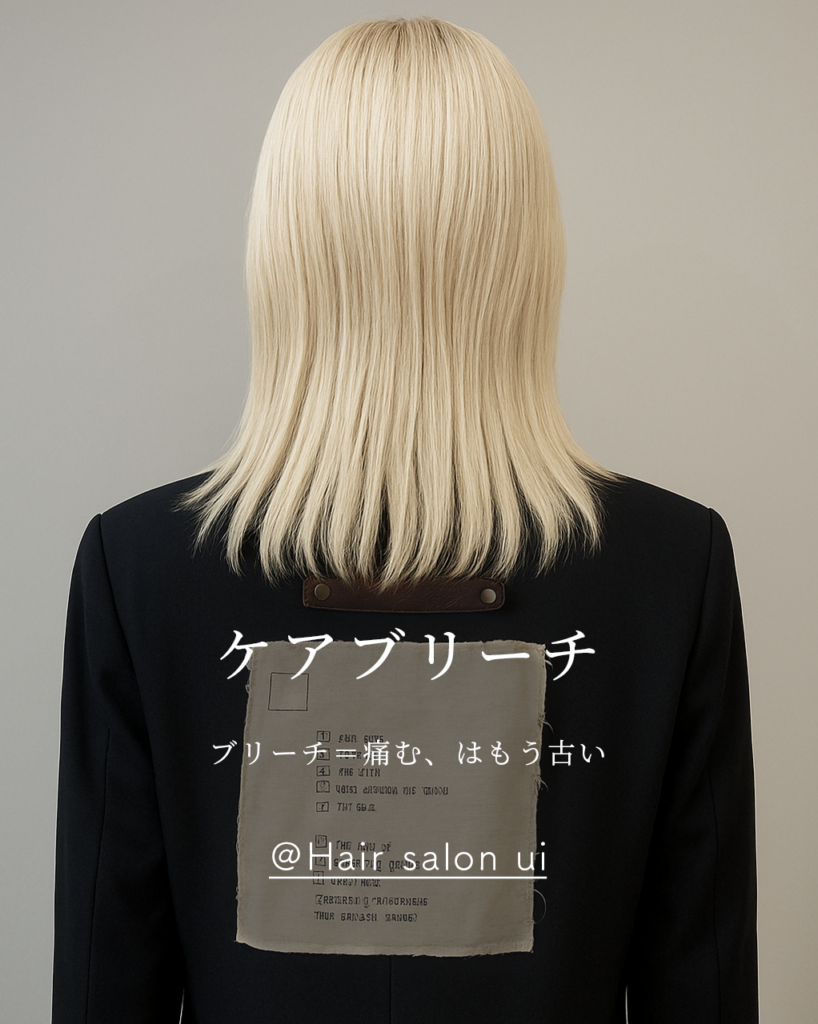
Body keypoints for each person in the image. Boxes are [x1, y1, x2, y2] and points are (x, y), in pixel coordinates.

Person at [52, 16, 758, 1023]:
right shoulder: (668, 568)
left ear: (287, 241)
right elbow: (704, 986)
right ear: (523, 243)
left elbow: (103, 986)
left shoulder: (140, 567)